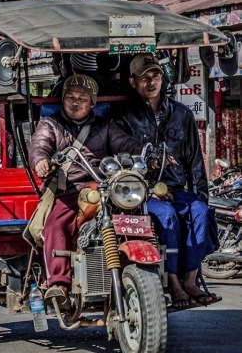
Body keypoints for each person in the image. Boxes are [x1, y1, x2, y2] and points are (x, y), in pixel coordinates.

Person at [28, 74, 142, 311]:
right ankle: (58, 285)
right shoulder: (50, 125)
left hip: (104, 188)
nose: (75, 102)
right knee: (55, 226)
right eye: (70, 97)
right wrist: (41, 160)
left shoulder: (105, 126)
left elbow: (126, 144)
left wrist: (146, 152)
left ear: (92, 102)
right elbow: (40, 145)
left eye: (82, 98)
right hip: (69, 190)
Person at [115, 53, 218, 309]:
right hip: (142, 193)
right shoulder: (123, 116)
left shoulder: (182, 113)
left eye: (156, 76)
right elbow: (120, 160)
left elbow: (195, 162)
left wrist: (200, 196)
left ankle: (191, 279)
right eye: (145, 78)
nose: (151, 82)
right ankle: (173, 280)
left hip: (177, 189)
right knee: (167, 216)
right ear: (132, 82)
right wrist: (148, 189)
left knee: (201, 211)